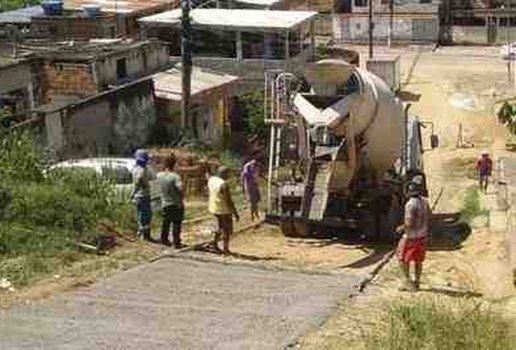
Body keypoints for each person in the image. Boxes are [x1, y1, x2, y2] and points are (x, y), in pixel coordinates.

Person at [396, 180, 431, 291]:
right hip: (422, 236)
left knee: (402, 259)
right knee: (418, 260)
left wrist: (401, 228)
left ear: (406, 192)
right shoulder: (425, 202)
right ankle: (417, 282)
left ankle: (407, 282)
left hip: (410, 237)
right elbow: (430, 215)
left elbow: (410, 222)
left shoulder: (410, 204)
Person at [208, 166, 239, 254]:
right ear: (224, 174)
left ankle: (214, 244)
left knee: (219, 227)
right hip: (224, 210)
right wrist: (235, 212)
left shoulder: (212, 180)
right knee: (226, 230)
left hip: (214, 207)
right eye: (228, 174)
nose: (229, 176)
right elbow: (228, 200)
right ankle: (226, 249)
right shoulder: (223, 184)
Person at [157, 154, 184, 248]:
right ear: (174, 164)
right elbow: (180, 188)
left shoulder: (159, 175)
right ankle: (176, 242)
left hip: (164, 203)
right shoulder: (175, 177)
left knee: (166, 222)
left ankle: (164, 239)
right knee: (176, 223)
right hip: (176, 203)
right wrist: (182, 195)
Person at [131, 149, 153, 241]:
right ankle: (144, 235)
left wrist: (133, 193)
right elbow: (139, 179)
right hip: (143, 195)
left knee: (141, 215)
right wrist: (143, 184)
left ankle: (141, 233)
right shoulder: (142, 169)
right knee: (146, 215)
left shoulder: (134, 168)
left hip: (138, 196)